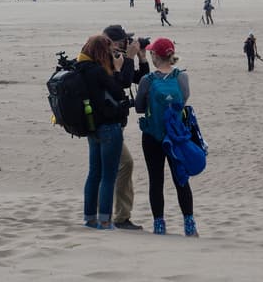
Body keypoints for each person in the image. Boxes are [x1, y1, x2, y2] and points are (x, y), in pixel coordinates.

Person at [135, 38, 198, 237]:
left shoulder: (148, 80)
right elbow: (184, 99)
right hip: (176, 135)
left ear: (155, 56)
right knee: (181, 179)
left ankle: (159, 225)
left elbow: (139, 107)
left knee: (156, 180)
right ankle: (189, 225)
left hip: (153, 136)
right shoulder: (182, 77)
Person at [77, 34, 131, 230]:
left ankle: (90, 218)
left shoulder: (80, 68)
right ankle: (105, 220)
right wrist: (117, 69)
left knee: (94, 173)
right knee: (109, 176)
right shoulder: (98, 72)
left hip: (92, 128)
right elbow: (118, 91)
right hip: (109, 126)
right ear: (101, 52)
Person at [103, 25, 150, 230]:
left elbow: (140, 79)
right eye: (124, 41)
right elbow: (121, 83)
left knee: (105, 170)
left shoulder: (116, 58)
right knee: (125, 164)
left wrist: (141, 57)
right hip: (107, 125)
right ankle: (121, 217)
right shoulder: (106, 59)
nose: (127, 44)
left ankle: (100, 215)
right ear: (113, 42)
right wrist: (129, 58)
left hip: (111, 123)